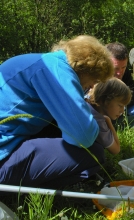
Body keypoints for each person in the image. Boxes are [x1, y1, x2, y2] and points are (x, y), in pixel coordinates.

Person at [0, 35, 114, 189]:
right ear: (86, 70)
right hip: (3, 157)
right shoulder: (58, 72)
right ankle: (34, 192)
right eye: (93, 81)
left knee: (57, 128)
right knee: (94, 153)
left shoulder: (43, 61)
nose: (91, 86)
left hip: (9, 139)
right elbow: (84, 136)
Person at [105, 42, 134, 129]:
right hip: (99, 113)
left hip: (118, 111)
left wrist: (119, 103)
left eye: (123, 67)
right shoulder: (96, 73)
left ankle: (116, 130)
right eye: (115, 68)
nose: (120, 73)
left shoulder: (125, 73)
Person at [85, 78, 132, 155]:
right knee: (99, 152)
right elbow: (116, 150)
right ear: (104, 100)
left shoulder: (86, 102)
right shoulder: (98, 121)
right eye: (120, 105)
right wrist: (108, 122)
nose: (122, 111)